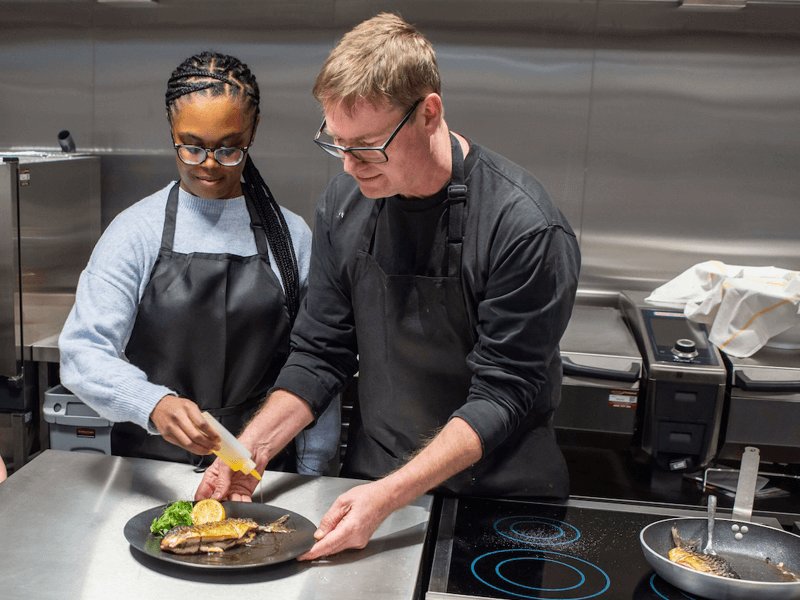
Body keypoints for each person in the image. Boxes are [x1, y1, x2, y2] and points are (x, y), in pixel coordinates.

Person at [197, 13, 580, 558]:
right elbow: (321, 352)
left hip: (497, 500)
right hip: (371, 483)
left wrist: (391, 495)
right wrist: (247, 451)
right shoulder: (344, 205)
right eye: (337, 144)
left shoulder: (523, 227)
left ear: (429, 113)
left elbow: (502, 392)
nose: (351, 166)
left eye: (369, 147)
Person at [59, 51, 340, 475]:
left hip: (260, 472)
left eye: (229, 149)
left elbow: (317, 362)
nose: (208, 165)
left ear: (252, 130)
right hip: (152, 471)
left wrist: (315, 468)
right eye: (191, 147)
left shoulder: (291, 237)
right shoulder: (136, 231)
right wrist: (152, 403)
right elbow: (83, 352)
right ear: (172, 130)